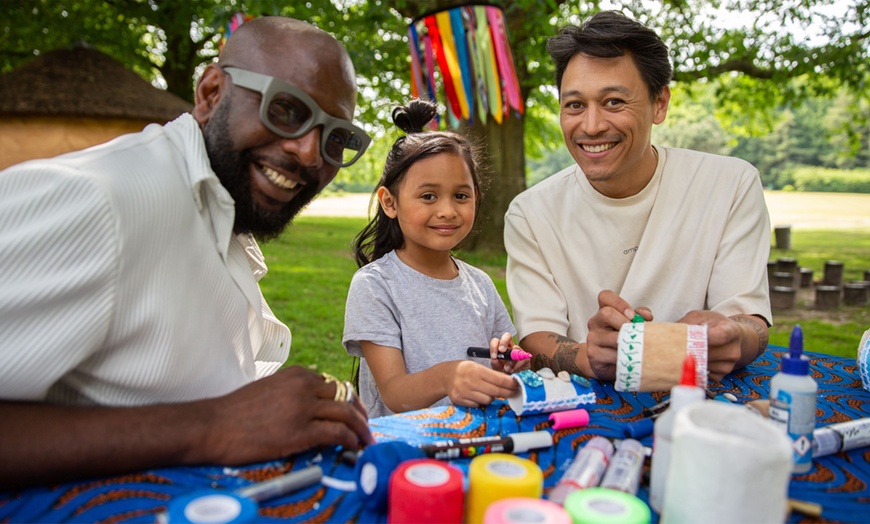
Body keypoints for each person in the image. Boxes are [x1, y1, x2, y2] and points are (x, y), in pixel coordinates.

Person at [0, 16, 374, 489]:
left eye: (337, 138)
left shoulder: (219, 209)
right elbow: (216, 424)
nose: (309, 152)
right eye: (286, 109)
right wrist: (212, 426)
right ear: (212, 93)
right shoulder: (102, 201)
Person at [504, 11, 771, 383]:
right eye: (575, 105)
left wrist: (734, 335)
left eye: (613, 101)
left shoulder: (731, 184)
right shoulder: (530, 214)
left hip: (706, 404)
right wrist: (585, 355)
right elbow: (536, 335)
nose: (592, 126)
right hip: (585, 411)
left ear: (659, 103)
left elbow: (751, 321)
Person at [343, 99, 523, 418]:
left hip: (475, 437)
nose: (447, 211)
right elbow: (395, 393)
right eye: (428, 196)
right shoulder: (374, 285)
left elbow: (509, 364)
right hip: (404, 450)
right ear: (390, 202)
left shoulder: (480, 284)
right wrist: (448, 376)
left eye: (461, 196)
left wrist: (507, 363)